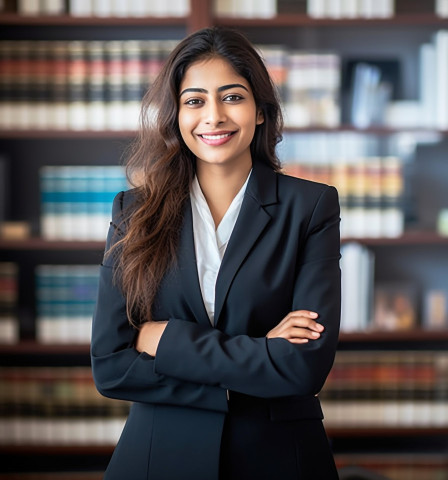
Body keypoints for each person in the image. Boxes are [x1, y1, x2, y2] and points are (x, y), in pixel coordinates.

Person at [91, 26, 341, 480]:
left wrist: (164, 340)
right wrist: (256, 357)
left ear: (261, 111)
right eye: (195, 100)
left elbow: (303, 368)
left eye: (232, 97)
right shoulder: (134, 212)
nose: (214, 116)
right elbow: (110, 366)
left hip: (279, 458)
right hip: (158, 456)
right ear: (176, 115)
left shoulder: (311, 207)